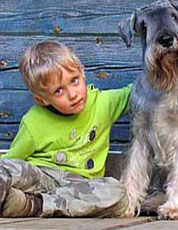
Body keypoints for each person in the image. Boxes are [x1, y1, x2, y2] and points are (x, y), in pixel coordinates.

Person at [0, 40, 132, 217]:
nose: (72, 94)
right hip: (42, 175)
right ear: (42, 100)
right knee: (8, 169)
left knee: (117, 193)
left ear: (82, 73)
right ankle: (22, 201)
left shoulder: (103, 103)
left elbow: (138, 91)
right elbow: (13, 159)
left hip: (80, 186)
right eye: (58, 91)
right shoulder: (33, 121)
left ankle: (32, 205)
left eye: (74, 81)